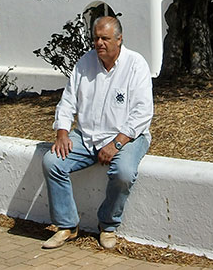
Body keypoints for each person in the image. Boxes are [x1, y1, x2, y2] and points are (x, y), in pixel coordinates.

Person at [41, 16, 153, 250]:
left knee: (123, 172)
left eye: (105, 38)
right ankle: (67, 226)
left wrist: (117, 144)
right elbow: (68, 101)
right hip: (87, 136)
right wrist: (62, 133)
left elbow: (143, 112)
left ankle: (108, 225)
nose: (99, 43)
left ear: (120, 39)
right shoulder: (85, 63)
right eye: (96, 38)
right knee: (52, 161)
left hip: (128, 137)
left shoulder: (136, 64)